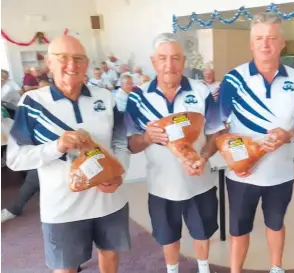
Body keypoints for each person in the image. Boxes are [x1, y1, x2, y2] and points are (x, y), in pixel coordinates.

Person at [6, 35, 131, 273]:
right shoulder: (31, 103)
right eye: (62, 58)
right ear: (49, 64)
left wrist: (119, 174)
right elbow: (15, 158)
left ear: (86, 64)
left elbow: (120, 143)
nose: (71, 65)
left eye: (78, 58)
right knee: (65, 268)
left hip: (110, 201)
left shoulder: (105, 97)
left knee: (110, 256)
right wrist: (57, 147)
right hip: (62, 208)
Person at [218, 13, 294, 273]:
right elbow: (218, 129)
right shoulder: (233, 80)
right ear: (251, 44)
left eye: (272, 38)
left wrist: (289, 136)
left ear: (282, 42)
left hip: (281, 174)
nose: (265, 44)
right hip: (242, 175)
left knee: (276, 224)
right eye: (259, 38)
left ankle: (277, 267)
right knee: (239, 229)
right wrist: (238, 158)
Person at [125, 33, 224, 273]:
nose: (169, 65)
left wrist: (204, 157)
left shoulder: (201, 92)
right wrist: (147, 138)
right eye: (163, 58)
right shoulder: (138, 98)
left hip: (199, 182)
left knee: (203, 230)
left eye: (175, 58)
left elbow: (216, 134)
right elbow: (130, 144)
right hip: (161, 185)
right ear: (154, 61)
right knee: (168, 235)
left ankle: (203, 268)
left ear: (184, 61)